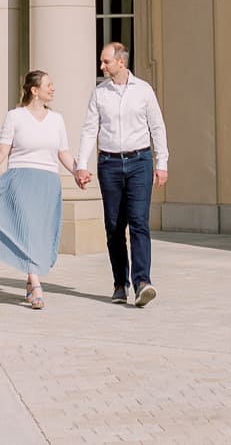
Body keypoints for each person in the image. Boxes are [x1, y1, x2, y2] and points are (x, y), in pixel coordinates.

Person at [0, 69, 81, 310]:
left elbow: (63, 153)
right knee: (28, 230)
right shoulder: (15, 117)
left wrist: (78, 172)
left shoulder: (57, 119)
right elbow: (1, 150)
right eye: (48, 84)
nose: (53, 88)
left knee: (41, 234)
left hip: (49, 183)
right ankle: (37, 284)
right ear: (34, 90)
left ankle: (30, 280)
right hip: (21, 180)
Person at [75, 41, 168, 307]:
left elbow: (157, 127)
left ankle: (142, 282)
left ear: (121, 62)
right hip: (110, 165)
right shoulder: (99, 94)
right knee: (114, 227)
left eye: (105, 62)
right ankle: (120, 284)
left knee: (139, 222)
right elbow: (89, 130)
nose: (101, 66)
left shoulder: (143, 91)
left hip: (140, 162)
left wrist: (162, 163)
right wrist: (82, 164)